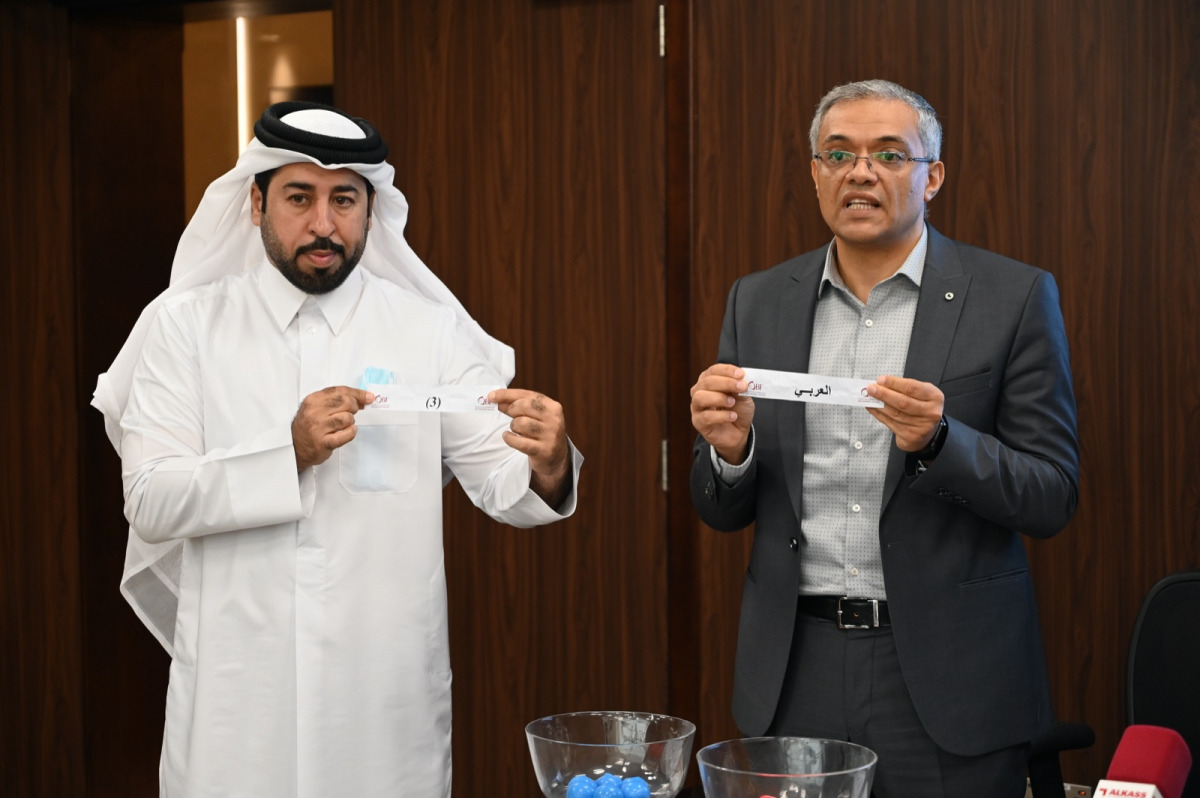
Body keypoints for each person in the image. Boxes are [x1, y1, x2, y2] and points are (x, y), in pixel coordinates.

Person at [92, 101, 583, 797]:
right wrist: (285, 452)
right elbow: (149, 498)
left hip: (381, 706)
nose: (323, 225)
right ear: (256, 203)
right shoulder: (186, 327)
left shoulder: (429, 331)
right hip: (238, 704)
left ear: (370, 211)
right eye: (300, 197)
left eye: (343, 200)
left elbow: (505, 484)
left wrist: (549, 461)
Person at [688, 79, 1079, 797]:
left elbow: (1052, 494)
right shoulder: (759, 299)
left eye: (889, 155)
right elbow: (721, 507)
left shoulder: (1012, 297)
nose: (860, 171)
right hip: (795, 667)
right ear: (815, 174)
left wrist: (939, 442)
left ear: (932, 176)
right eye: (838, 153)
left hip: (946, 673)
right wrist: (730, 452)